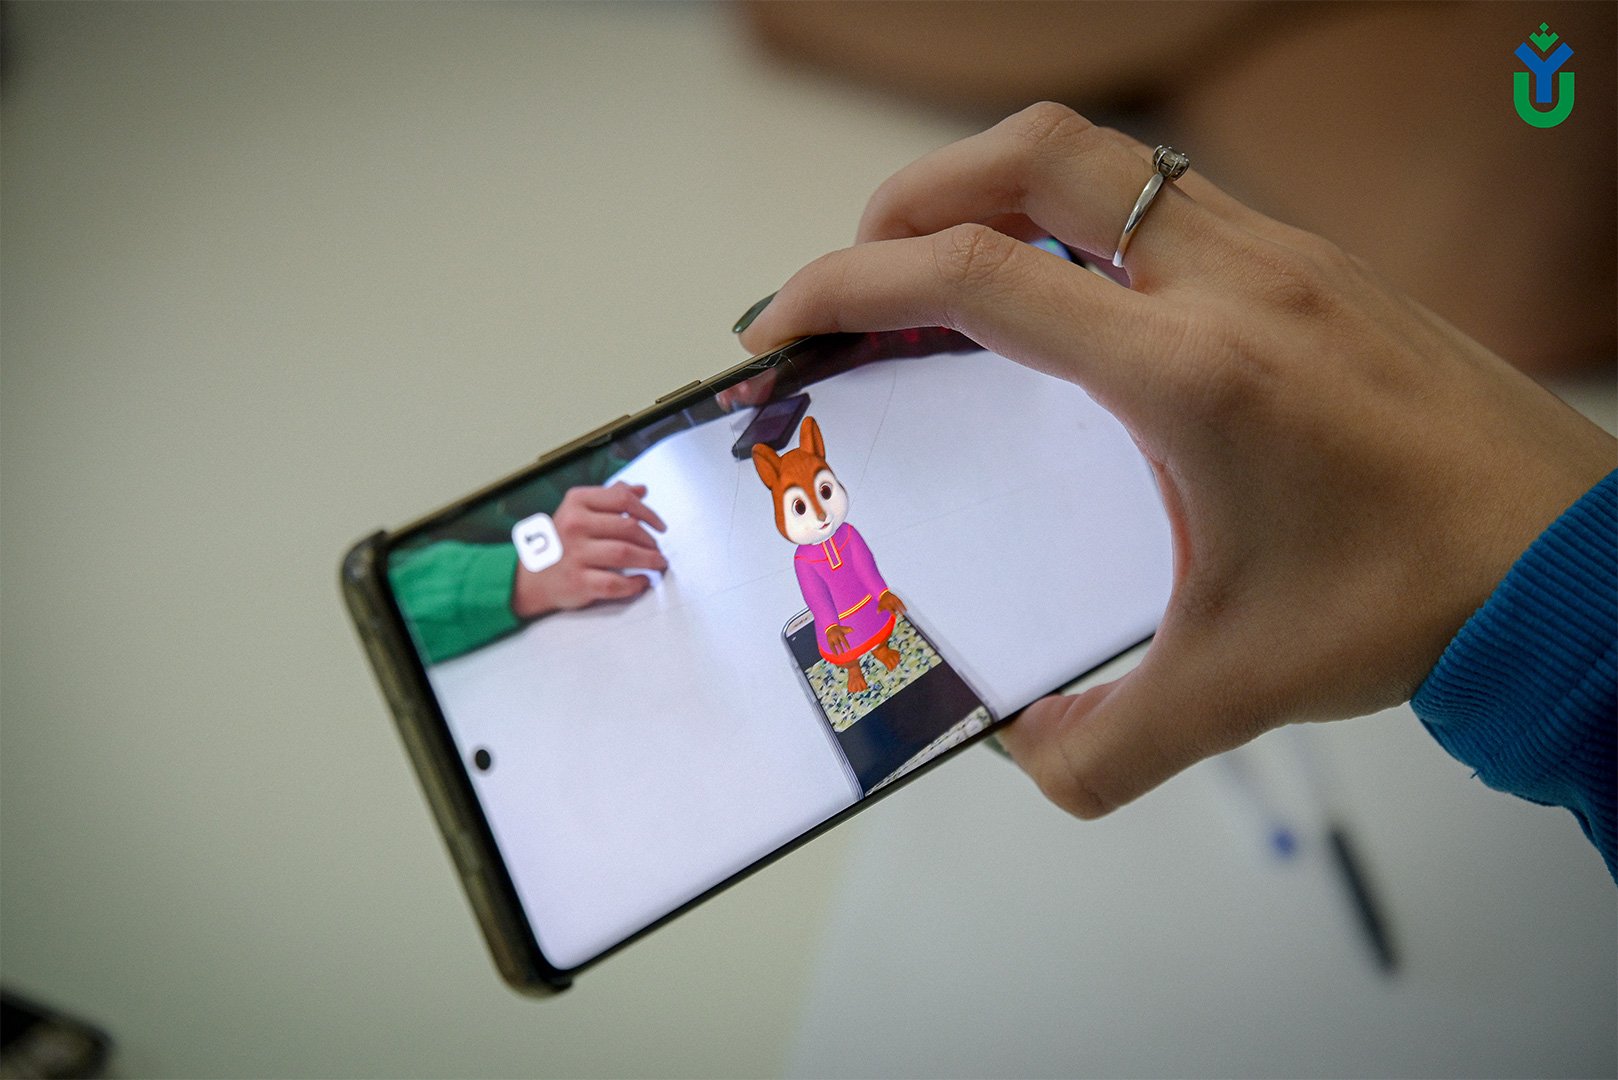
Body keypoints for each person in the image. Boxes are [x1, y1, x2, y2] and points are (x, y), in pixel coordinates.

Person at [733, 103, 1616, 878]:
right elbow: (831, 592)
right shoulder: (816, 562)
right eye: (802, 503)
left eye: (819, 491)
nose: (822, 509)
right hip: (854, 639)